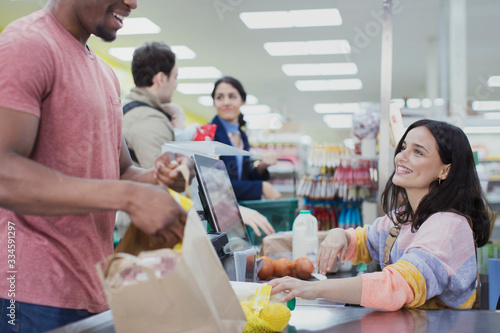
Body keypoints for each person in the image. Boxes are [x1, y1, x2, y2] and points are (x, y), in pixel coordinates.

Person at [0, 1, 195, 332]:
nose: (132, 2)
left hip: (96, 289)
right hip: (30, 296)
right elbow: (5, 173)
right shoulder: (27, 44)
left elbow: (121, 172)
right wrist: (130, 197)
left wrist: (158, 176)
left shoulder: (105, 74)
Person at [270, 119, 491, 311]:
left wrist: (313, 288)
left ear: (445, 171)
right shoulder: (403, 217)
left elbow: (395, 286)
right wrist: (340, 235)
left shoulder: (448, 225)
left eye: (418, 152)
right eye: (404, 147)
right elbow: (365, 241)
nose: (402, 157)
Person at [120, 44, 274, 237]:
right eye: (175, 77)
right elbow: (168, 183)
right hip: (149, 231)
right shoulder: (150, 121)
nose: (175, 84)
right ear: (161, 78)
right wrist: (229, 209)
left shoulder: (141, 115)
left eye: (232, 97)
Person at [210, 76, 282, 201]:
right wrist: (260, 187)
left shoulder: (242, 136)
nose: (226, 102)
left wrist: (262, 166)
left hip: (240, 208)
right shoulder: (209, 135)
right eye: (220, 97)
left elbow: (244, 177)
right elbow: (213, 184)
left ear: (242, 101)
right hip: (219, 209)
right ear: (214, 103)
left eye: (232, 96)